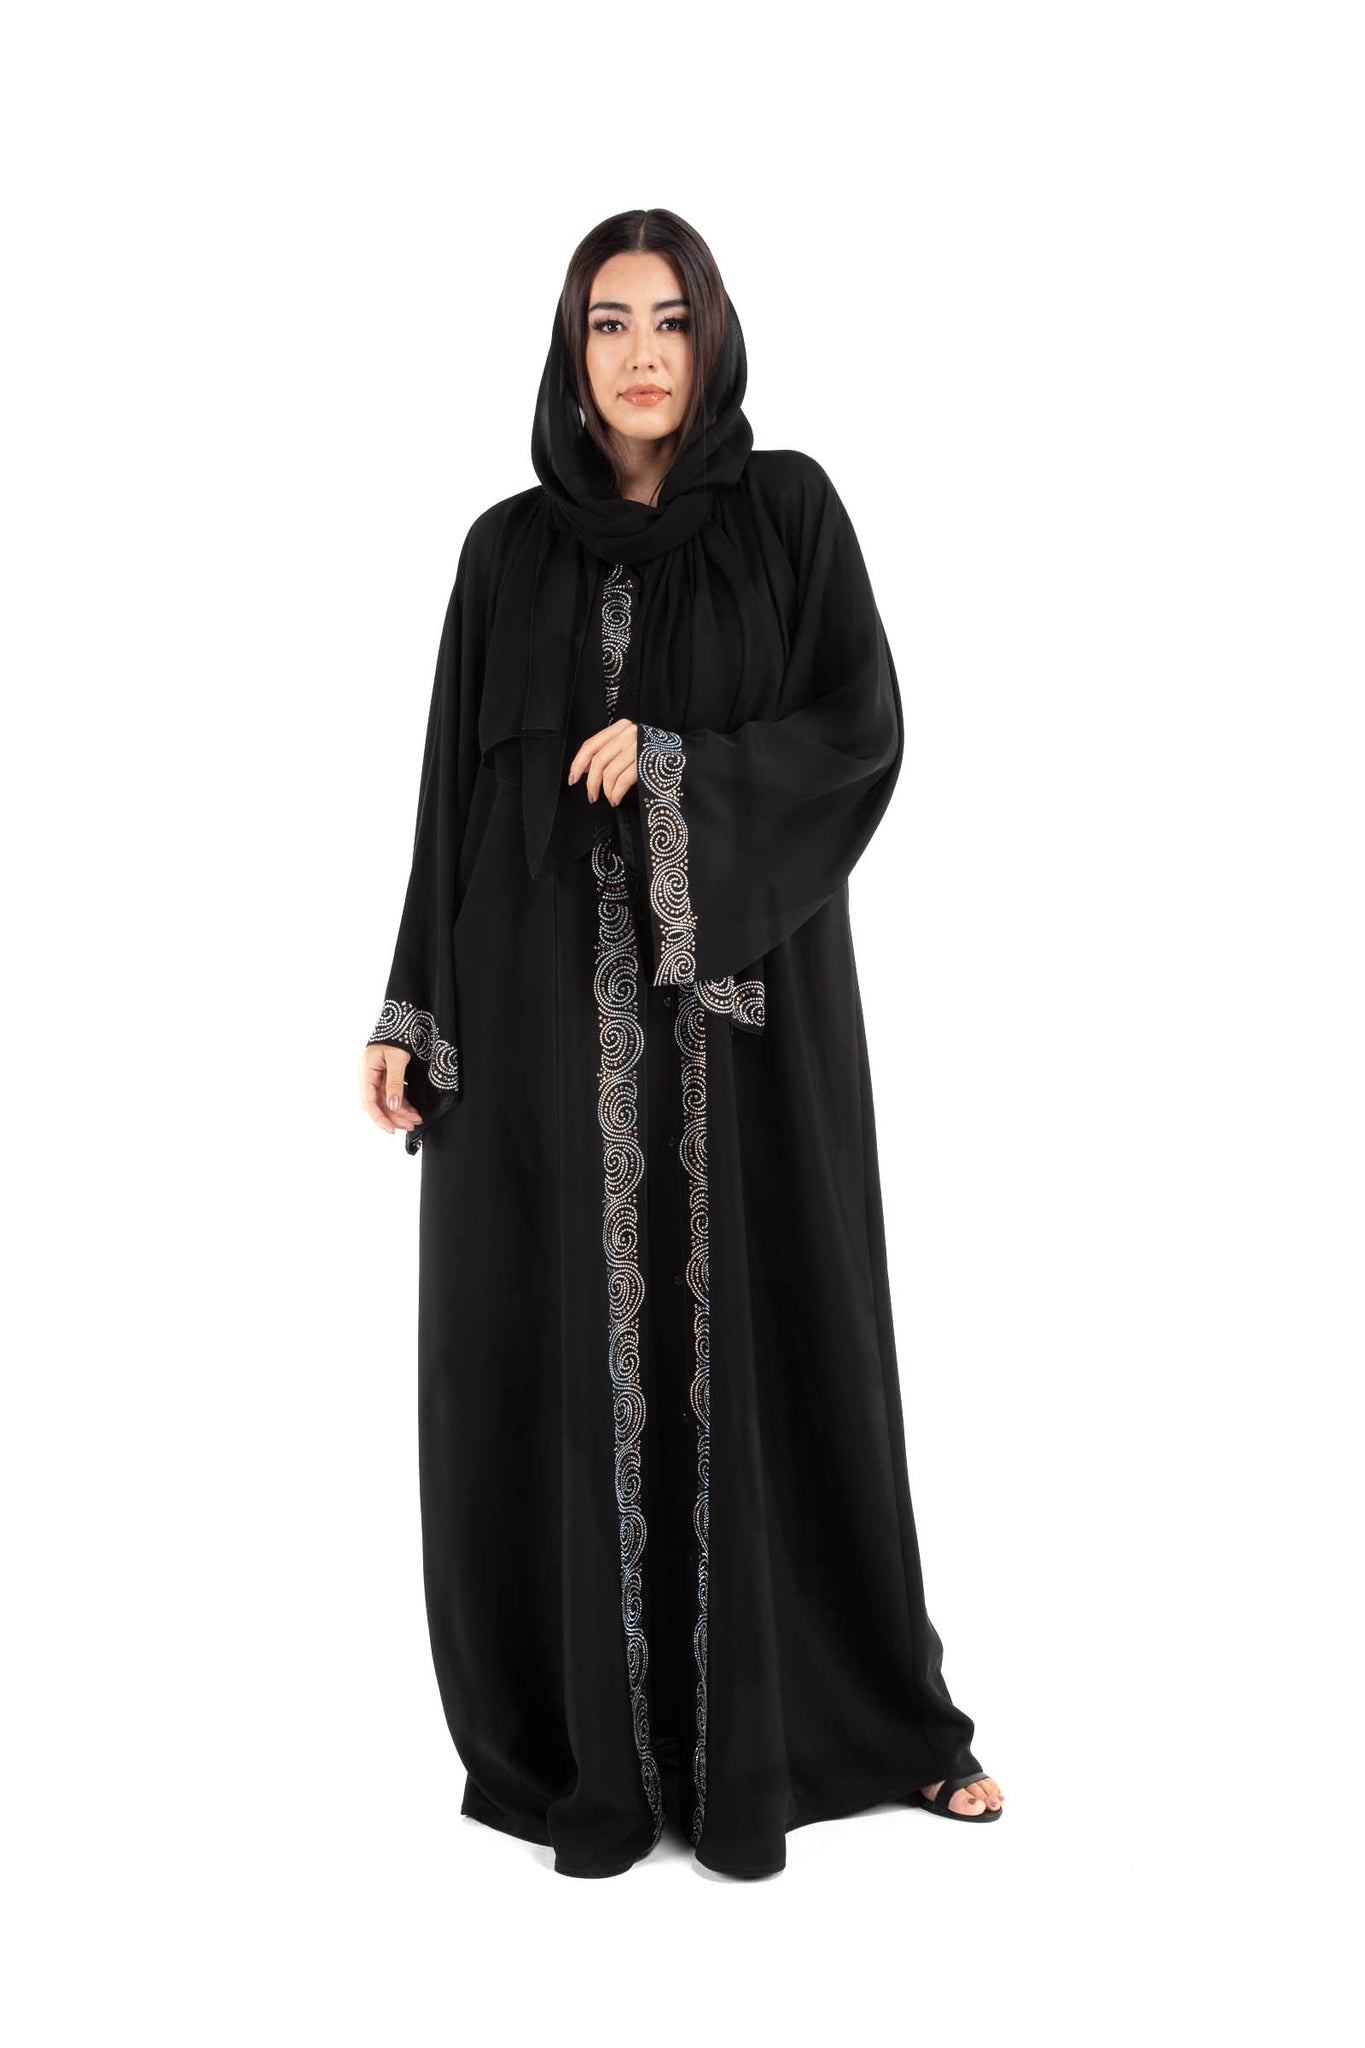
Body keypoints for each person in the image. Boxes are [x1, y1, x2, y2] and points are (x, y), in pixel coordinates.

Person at [357, 207, 1004, 1879]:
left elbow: (859, 731)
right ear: (568, 353)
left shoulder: (788, 514)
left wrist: (676, 767)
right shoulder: (505, 552)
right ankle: (588, 1747)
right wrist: (410, 1006)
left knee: (787, 1337)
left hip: (745, 1041)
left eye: (667, 320)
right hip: (534, 1034)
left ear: (711, 339)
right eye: (606, 323)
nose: (640, 354)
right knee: (545, 1353)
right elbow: (447, 799)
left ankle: (872, 1728)